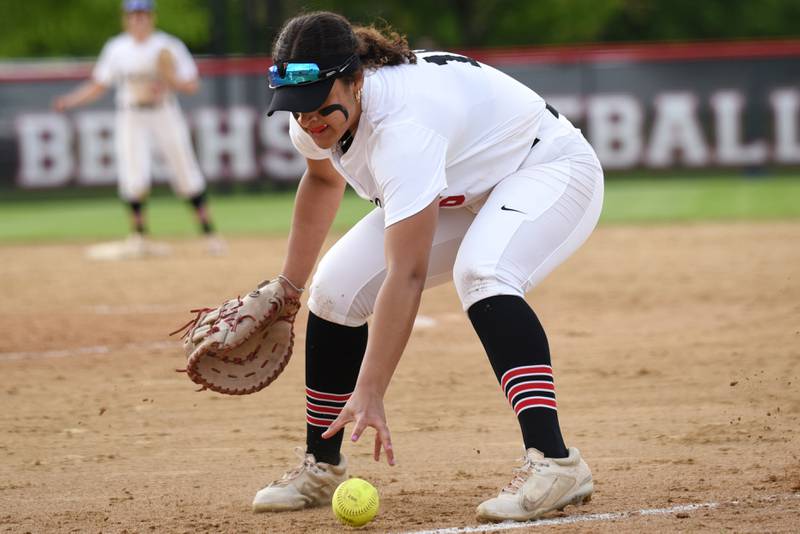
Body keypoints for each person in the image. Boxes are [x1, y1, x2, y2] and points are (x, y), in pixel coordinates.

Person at [251, 11, 603, 522]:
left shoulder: (402, 127)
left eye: (317, 105)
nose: (308, 120)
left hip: (546, 168)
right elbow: (324, 182)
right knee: (334, 290)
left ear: (355, 80)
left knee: (484, 274)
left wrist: (370, 389)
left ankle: (555, 462)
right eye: (296, 108)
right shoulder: (316, 110)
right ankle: (321, 465)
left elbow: (407, 274)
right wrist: (289, 286)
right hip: (461, 186)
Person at [53, 0, 224, 259]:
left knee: (185, 168)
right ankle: (139, 236)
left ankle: (209, 234)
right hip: (131, 114)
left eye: (143, 14)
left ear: (152, 17)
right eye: (134, 14)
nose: (138, 19)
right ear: (126, 18)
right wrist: (70, 100)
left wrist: (170, 79)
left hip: (164, 112)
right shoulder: (117, 48)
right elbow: (99, 84)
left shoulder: (168, 45)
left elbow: (191, 85)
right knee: (134, 175)